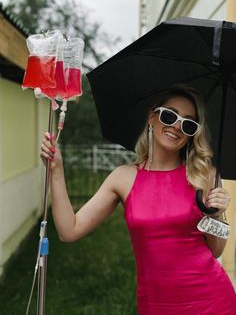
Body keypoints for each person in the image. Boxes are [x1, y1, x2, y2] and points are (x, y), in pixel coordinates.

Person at [40, 85, 236, 314]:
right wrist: (56, 171)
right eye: (169, 115)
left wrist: (215, 213)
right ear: (152, 117)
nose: (176, 126)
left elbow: (216, 250)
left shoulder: (205, 175)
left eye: (188, 123)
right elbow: (69, 229)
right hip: (155, 305)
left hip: (212, 302)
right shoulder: (123, 177)